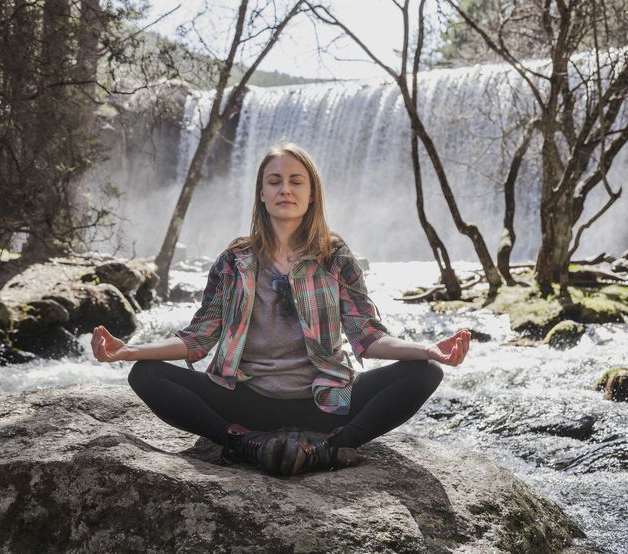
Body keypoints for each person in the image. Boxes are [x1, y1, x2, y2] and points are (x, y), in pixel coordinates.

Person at [91, 143, 470, 477]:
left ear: (311, 194)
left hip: (325, 402)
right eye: (274, 181)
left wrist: (427, 349)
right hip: (245, 401)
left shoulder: (335, 258)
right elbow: (199, 338)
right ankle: (242, 443)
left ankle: (335, 447)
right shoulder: (234, 260)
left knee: (424, 373)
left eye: (296, 180)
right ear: (261, 192)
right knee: (146, 374)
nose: (285, 188)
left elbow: (368, 337)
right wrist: (128, 351)